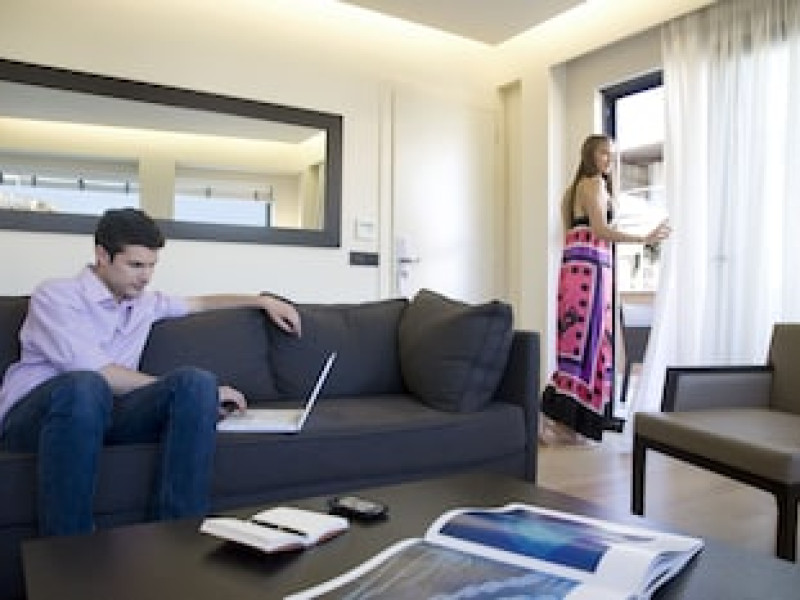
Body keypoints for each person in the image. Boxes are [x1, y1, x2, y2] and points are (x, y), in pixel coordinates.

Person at [0, 208, 301, 536]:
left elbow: (200, 303)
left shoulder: (145, 302)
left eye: (151, 266)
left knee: (197, 383)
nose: (145, 277)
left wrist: (262, 301)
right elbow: (97, 371)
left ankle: (177, 537)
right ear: (102, 255)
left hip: (108, 413)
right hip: (38, 417)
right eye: (135, 265)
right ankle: (69, 549)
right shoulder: (56, 295)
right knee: (85, 386)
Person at [540, 134, 670, 443]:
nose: (609, 160)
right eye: (603, 154)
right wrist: (643, 238)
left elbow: (573, 233)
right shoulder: (594, 184)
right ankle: (567, 424)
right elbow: (600, 230)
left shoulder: (572, 190)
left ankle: (561, 420)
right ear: (590, 155)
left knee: (573, 342)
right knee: (591, 342)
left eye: (611, 154)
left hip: (574, 269)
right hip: (591, 271)